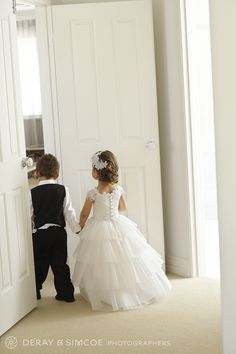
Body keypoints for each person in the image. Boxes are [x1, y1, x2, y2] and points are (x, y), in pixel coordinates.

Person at [72, 150, 171, 311]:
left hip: (98, 226)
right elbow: (124, 207)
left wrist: (80, 227)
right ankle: (126, 291)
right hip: (118, 223)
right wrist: (113, 210)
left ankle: (105, 293)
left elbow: (84, 214)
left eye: (92, 168)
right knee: (124, 260)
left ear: (96, 172)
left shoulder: (93, 194)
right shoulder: (118, 189)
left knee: (103, 261)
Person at [30, 154, 81, 302]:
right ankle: (66, 294)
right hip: (59, 233)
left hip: (40, 235)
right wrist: (77, 229)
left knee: (39, 263)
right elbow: (69, 212)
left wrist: (29, 233)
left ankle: (35, 292)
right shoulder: (63, 190)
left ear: (37, 173)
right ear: (57, 174)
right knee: (60, 264)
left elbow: (30, 216)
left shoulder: (32, 193)